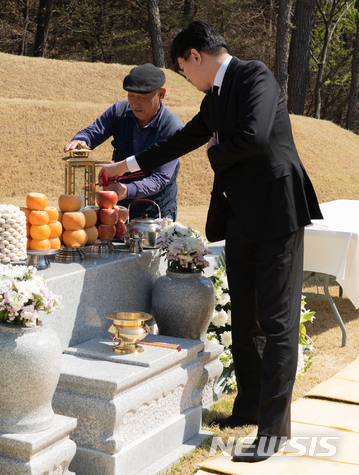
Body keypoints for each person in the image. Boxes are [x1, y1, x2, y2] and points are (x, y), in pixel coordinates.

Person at [99, 21, 322, 463]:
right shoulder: (214, 98)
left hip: (277, 212)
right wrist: (125, 166)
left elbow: (254, 137)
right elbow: (181, 139)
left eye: (183, 69)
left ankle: (274, 431)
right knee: (245, 313)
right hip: (239, 216)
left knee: (277, 322)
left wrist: (214, 152)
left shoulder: (255, 75)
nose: (186, 78)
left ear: (195, 57)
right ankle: (248, 407)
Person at [64, 63, 182, 220]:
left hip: (155, 214)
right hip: (118, 211)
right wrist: (81, 141)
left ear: (161, 94)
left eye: (143, 97)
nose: (135, 103)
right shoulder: (118, 111)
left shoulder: (172, 128)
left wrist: (125, 190)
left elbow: (158, 180)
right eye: (131, 96)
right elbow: (91, 133)